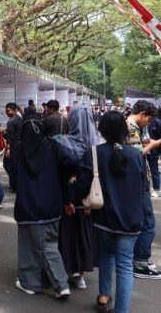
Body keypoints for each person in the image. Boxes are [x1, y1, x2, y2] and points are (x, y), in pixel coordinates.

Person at [76, 112, 147, 313]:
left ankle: (104, 297)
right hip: (131, 220)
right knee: (124, 265)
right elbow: (142, 188)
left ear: (102, 130)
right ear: (124, 130)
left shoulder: (94, 153)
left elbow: (81, 186)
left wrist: (81, 202)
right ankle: (121, 310)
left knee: (106, 255)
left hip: (104, 219)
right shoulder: (136, 155)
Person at [9, 112, 76, 299]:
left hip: (27, 205)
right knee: (50, 244)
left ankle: (33, 283)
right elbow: (72, 162)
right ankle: (58, 284)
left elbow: (13, 178)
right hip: (52, 204)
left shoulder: (18, 148)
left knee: (28, 245)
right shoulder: (53, 146)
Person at [58, 104, 99, 290]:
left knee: (67, 235)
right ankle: (81, 274)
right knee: (84, 236)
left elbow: (61, 174)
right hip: (88, 201)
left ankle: (67, 271)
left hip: (68, 200)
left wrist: (66, 199)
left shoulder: (63, 143)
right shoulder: (96, 146)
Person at [125, 100, 161, 279]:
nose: (148, 122)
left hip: (134, 181)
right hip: (137, 182)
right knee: (148, 224)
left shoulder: (130, 126)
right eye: (148, 119)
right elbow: (136, 155)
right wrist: (152, 145)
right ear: (142, 114)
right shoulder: (131, 127)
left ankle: (139, 259)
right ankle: (141, 263)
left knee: (143, 222)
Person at [3, 102, 22, 191]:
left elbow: (10, 137)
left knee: (10, 165)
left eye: (8, 111)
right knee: (16, 165)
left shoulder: (11, 121)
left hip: (14, 146)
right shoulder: (19, 118)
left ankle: (14, 185)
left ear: (14, 110)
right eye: (6, 111)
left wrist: (8, 148)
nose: (7, 113)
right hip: (20, 145)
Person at [146, 107, 161, 198]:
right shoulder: (146, 121)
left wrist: (155, 145)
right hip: (144, 149)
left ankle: (156, 189)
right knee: (146, 169)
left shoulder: (157, 122)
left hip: (153, 150)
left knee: (154, 169)